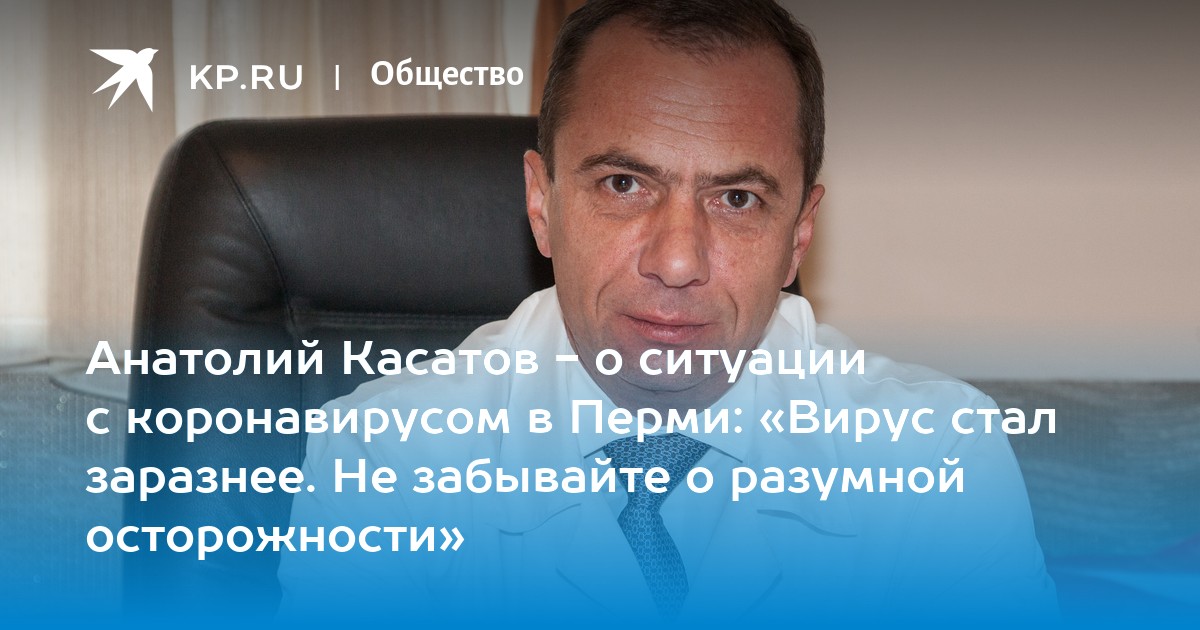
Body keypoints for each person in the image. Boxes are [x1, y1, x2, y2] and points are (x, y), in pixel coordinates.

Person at [279, 0, 1057, 625]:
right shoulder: (383, 458)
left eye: (737, 199)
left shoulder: (937, 456)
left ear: (799, 236)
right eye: (624, 184)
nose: (677, 261)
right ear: (542, 204)